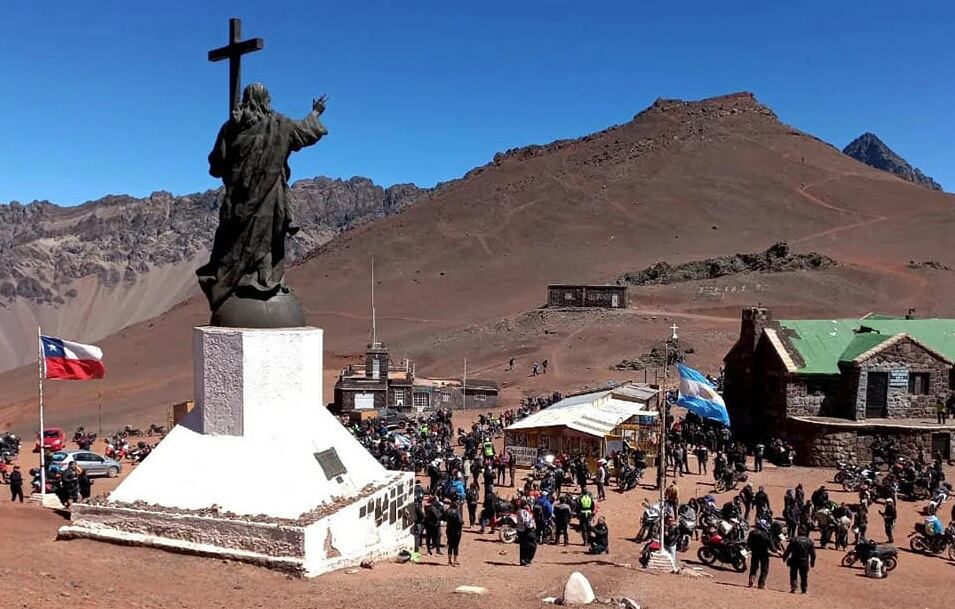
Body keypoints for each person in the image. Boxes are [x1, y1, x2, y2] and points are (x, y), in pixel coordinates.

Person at [198, 84, 328, 316]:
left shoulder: (230, 128)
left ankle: (240, 282)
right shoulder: (279, 124)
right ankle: (263, 280)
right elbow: (305, 132)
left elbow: (216, 165)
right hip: (269, 196)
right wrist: (316, 112)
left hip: (237, 202)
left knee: (235, 242)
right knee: (266, 237)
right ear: (266, 101)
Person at [782, 525, 816, 594]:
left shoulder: (794, 540)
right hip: (804, 561)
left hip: (795, 560)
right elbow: (813, 554)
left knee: (793, 574)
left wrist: (785, 557)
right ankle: (804, 590)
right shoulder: (809, 541)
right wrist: (812, 562)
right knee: (804, 576)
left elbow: (788, 550)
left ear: (798, 531)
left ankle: (793, 588)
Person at [747, 519, 775, 589]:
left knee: (754, 567)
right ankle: (761, 584)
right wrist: (776, 551)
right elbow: (770, 544)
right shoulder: (766, 534)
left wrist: (752, 548)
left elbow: (748, 543)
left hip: (755, 552)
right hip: (764, 553)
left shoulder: (752, 532)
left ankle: (751, 581)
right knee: (764, 569)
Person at [443, 498, 464, 566]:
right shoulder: (457, 512)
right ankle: (455, 561)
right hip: (456, 531)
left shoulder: (448, 511)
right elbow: (460, 521)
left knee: (450, 545)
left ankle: (449, 560)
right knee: (456, 546)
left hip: (449, 529)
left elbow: (444, 518)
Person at [516, 500, 538, 566]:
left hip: (520, 530)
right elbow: (526, 522)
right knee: (532, 545)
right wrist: (531, 527)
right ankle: (527, 559)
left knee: (523, 546)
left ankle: (523, 560)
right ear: (525, 506)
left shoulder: (519, 511)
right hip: (526, 530)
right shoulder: (524, 512)